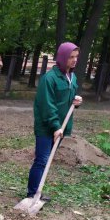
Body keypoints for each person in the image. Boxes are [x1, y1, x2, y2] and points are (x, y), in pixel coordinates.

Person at [26, 41, 83, 200]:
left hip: (61, 128)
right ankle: (32, 194)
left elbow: (67, 101)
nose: (74, 60)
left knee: (47, 160)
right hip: (47, 127)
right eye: (71, 57)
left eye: (76, 57)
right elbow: (48, 106)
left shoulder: (72, 77)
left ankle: (38, 191)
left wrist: (76, 103)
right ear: (63, 57)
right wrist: (56, 127)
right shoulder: (49, 79)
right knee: (42, 160)